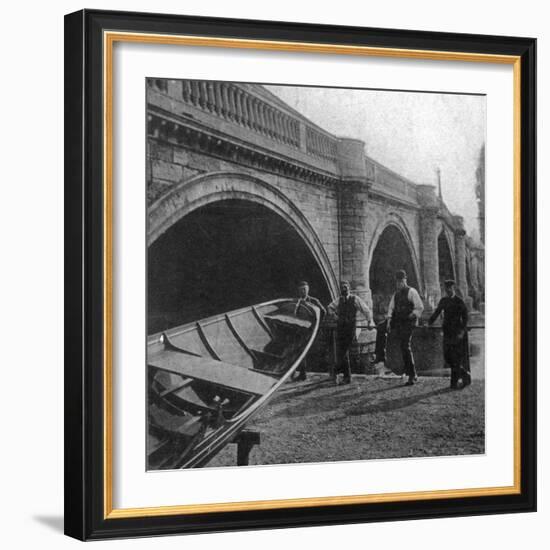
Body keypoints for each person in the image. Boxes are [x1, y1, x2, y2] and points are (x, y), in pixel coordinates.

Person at [327, 280, 373, 385]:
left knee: (343, 352)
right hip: (340, 329)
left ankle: (343, 375)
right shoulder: (339, 300)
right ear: (340, 290)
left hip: (350, 329)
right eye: (342, 288)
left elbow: (366, 310)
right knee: (342, 352)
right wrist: (335, 316)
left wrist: (369, 321)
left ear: (349, 289)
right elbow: (329, 308)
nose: (344, 289)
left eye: (346, 287)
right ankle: (341, 374)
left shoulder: (355, 299)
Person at [428, 279, 471, 389]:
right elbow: (437, 312)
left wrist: (462, 331)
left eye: (450, 289)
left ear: (453, 289)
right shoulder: (443, 301)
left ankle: (454, 383)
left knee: (455, 358)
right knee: (448, 358)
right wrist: (429, 322)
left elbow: (465, 318)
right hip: (447, 333)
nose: (448, 291)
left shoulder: (459, 301)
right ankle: (465, 375)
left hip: (457, 334)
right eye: (446, 289)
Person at [386, 270, 424, 386]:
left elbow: (419, 307)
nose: (399, 284)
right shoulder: (396, 295)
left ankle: (412, 375)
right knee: (403, 347)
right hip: (399, 323)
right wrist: (388, 322)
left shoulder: (412, 292)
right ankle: (409, 372)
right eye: (397, 282)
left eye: (401, 282)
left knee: (405, 346)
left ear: (405, 281)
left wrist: (410, 316)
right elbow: (391, 309)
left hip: (408, 323)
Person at [293, 281, 326, 381]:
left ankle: (303, 374)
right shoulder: (297, 301)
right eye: (301, 290)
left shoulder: (313, 301)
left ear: (308, 290)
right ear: (298, 291)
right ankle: (300, 373)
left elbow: (323, 311)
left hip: (310, 330)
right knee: (298, 351)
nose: (303, 291)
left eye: (305, 289)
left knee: (304, 351)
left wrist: (317, 324)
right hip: (299, 330)